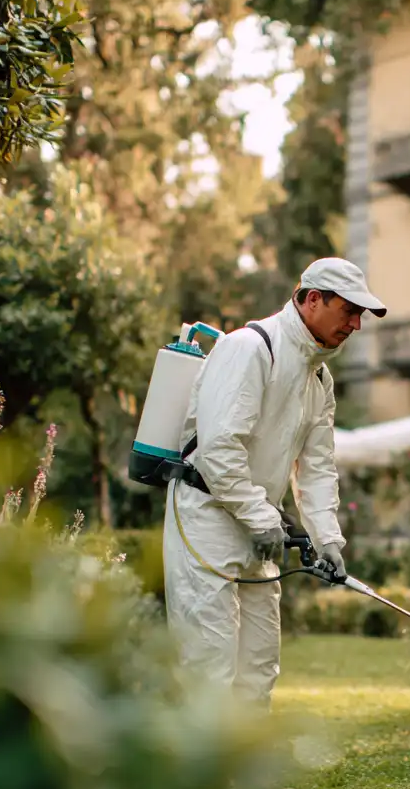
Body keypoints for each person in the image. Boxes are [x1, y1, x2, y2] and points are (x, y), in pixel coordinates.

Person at [162, 257, 388, 706]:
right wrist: (261, 517)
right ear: (311, 300)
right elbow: (220, 448)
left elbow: (318, 468)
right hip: (206, 519)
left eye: (360, 315)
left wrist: (328, 540)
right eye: (349, 310)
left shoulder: (319, 379)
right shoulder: (249, 348)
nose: (356, 325)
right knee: (209, 663)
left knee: (259, 663)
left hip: (260, 530)